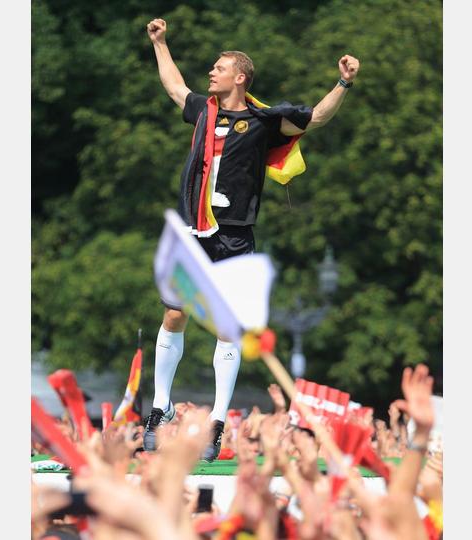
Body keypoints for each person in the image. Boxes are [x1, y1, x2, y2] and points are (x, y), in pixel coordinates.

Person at [143, 17, 361, 461]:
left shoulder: (264, 120)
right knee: (173, 314)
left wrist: (343, 82)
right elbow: (173, 87)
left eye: (219, 69)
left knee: (228, 327)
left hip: (236, 234)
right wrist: (160, 44)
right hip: (195, 229)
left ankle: (218, 423)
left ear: (239, 77)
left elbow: (315, 118)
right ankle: (160, 409)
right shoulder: (204, 110)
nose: (211, 74)